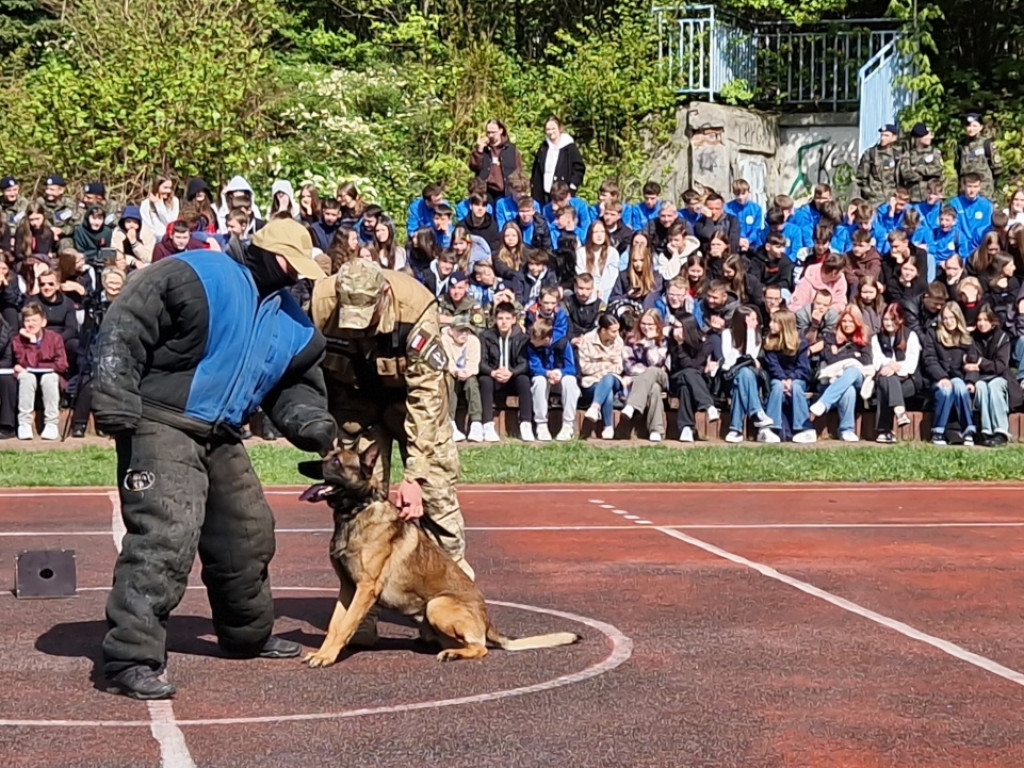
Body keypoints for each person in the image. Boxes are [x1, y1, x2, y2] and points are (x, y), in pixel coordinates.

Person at [94, 219, 336, 700]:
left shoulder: (294, 323)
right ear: (267, 251)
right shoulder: (197, 271)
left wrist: (314, 427)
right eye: (291, 262)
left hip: (221, 430)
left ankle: (247, 636)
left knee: (248, 534)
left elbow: (293, 388)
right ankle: (132, 656)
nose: (295, 275)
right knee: (167, 533)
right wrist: (116, 397)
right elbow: (126, 323)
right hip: (161, 420)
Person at [923, 301, 978, 445]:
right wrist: (941, 377)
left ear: (958, 318)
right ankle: (938, 432)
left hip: (958, 377)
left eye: (952, 318)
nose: (948, 322)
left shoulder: (966, 338)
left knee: (960, 386)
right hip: (938, 378)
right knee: (946, 391)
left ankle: (968, 431)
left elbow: (972, 363)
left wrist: (971, 381)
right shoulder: (933, 334)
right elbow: (929, 359)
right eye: (945, 318)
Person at [12, 302, 68, 440]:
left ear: (43, 322)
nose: (30, 324)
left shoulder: (55, 338)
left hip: (50, 376)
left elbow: (62, 364)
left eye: (34, 320)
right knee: (26, 377)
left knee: (49, 378)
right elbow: (27, 364)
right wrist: (31, 342)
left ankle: (51, 424)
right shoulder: (18, 340)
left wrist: (44, 367)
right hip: (29, 377)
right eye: (27, 320)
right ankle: (24, 423)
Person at [479, 301, 531, 442]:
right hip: (495, 376)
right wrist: (493, 372)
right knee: (485, 380)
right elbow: (481, 362)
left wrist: (512, 372)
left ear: (514, 319)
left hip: (512, 377)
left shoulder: (522, 337)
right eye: (500, 318)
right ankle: (488, 425)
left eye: (508, 318)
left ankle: (526, 423)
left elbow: (525, 363)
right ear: (495, 319)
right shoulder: (486, 336)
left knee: (524, 380)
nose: (504, 322)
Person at [969, 304, 1020, 446]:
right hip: (980, 378)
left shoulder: (1002, 337)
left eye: (986, 320)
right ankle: (986, 430)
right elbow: (969, 360)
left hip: (1001, 378)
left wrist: (980, 362)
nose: (982, 323)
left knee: (994, 386)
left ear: (992, 322)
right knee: (981, 387)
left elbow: (1000, 366)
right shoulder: (972, 338)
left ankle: (1001, 431)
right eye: (979, 320)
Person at [763, 308, 815, 443]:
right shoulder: (769, 341)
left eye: (775, 322)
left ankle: (804, 428)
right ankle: (771, 427)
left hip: (798, 377)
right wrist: (783, 379)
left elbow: (803, 367)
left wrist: (791, 379)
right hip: (778, 378)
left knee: (797, 387)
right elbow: (773, 366)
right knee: (776, 386)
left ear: (784, 325)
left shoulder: (801, 342)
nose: (770, 325)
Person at [870, 303, 921, 443]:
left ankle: (884, 430)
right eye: (886, 319)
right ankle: (900, 412)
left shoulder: (911, 336)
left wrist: (895, 367)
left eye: (893, 319)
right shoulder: (876, 338)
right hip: (887, 379)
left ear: (901, 320)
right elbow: (876, 361)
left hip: (908, 382)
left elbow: (911, 365)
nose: (889, 323)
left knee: (885, 382)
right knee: (885, 380)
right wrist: (888, 365)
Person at [527, 316, 580, 441]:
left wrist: (559, 373)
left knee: (570, 381)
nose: (531, 341)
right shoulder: (531, 346)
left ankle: (568, 425)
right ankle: (541, 424)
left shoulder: (563, 343)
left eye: (535, 339)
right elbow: (534, 367)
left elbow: (572, 368)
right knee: (538, 381)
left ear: (546, 339)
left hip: (560, 378)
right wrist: (547, 373)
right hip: (544, 377)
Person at [621, 309, 669, 442]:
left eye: (650, 325)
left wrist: (650, 342)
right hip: (642, 381)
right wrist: (644, 374)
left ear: (658, 325)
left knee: (652, 371)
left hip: (661, 376)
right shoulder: (631, 339)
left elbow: (658, 362)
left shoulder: (663, 340)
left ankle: (632, 405)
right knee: (654, 389)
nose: (646, 327)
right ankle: (656, 431)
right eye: (643, 323)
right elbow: (629, 365)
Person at [667, 314, 717, 443]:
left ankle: (686, 428)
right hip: (676, 379)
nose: (675, 330)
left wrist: (698, 370)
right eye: (674, 327)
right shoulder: (672, 342)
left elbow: (694, 365)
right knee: (688, 374)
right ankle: (708, 405)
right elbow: (686, 366)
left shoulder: (706, 342)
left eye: (678, 327)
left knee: (686, 388)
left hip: (698, 382)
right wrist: (679, 344)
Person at [578, 313, 624, 440]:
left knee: (608, 378)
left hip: (613, 379)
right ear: (603, 330)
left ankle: (594, 407)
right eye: (613, 331)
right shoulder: (587, 340)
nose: (617, 334)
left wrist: (598, 365)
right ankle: (608, 427)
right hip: (591, 381)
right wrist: (606, 363)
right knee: (606, 390)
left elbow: (619, 368)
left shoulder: (618, 341)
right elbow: (585, 368)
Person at [441, 316, 483, 442]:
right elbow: (447, 360)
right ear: (451, 331)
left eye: (466, 331)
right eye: (460, 331)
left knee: (472, 383)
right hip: (452, 373)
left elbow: (474, 362)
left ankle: (476, 423)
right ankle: (450, 422)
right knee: (449, 382)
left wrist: (467, 372)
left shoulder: (474, 341)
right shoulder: (444, 340)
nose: (464, 334)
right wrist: (455, 371)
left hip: (467, 373)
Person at [530, 116, 585, 205]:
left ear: (559, 128)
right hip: (543, 193)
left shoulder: (570, 148)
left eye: (553, 129)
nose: (551, 132)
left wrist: (572, 187)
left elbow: (579, 168)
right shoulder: (544, 147)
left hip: (562, 193)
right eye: (548, 129)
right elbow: (536, 168)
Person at [468, 119, 523, 204]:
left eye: (493, 132)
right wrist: (479, 150)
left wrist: (518, 190)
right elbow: (474, 166)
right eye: (488, 132)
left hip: (506, 192)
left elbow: (519, 171)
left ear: (501, 131)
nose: (490, 135)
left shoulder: (511, 149)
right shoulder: (482, 148)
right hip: (485, 192)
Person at [955, 113, 1002, 199]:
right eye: (968, 126)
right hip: (964, 189)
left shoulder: (987, 144)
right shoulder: (961, 145)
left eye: (974, 126)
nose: (971, 129)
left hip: (983, 190)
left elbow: (997, 168)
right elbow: (958, 166)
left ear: (981, 127)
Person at [898, 123, 944, 204]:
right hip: (914, 198)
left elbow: (938, 170)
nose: (929, 138)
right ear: (918, 138)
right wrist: (926, 176)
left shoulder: (934, 152)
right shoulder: (908, 155)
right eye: (926, 135)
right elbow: (906, 174)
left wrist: (917, 169)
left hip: (932, 196)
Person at [856, 124, 901, 206]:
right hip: (874, 201)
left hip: (892, 200)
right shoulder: (870, 153)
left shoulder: (897, 155)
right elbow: (861, 178)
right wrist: (870, 194)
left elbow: (900, 178)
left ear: (894, 138)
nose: (882, 138)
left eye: (886, 135)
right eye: (882, 135)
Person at [139, 175, 180, 240]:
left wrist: (159, 204)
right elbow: (147, 225)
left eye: (170, 188)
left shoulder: (175, 201)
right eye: (165, 188)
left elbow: (170, 222)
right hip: (153, 237)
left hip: (169, 236)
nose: (168, 191)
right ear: (157, 187)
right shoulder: (145, 204)